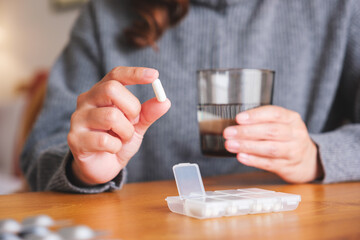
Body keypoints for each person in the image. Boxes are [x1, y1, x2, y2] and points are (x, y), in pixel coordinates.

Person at [21, 0, 360, 193]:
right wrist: (82, 168)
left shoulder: (340, 9)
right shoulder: (104, 14)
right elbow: (40, 149)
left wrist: (316, 155)